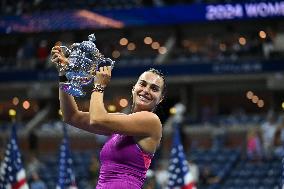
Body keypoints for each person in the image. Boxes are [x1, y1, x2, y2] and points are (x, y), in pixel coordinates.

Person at [51, 45, 165, 189]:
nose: (146, 90)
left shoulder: (151, 121)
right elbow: (71, 116)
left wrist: (99, 86)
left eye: (154, 89)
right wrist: (64, 75)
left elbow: (97, 119)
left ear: (160, 99)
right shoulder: (119, 122)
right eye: (142, 84)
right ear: (133, 88)